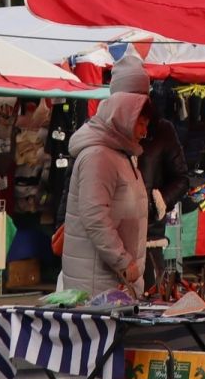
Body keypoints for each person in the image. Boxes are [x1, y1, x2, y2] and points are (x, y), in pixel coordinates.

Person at [106, 54, 189, 287]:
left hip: (149, 236)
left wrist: (157, 202)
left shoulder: (162, 130)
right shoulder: (102, 129)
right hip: (107, 240)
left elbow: (182, 178)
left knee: (149, 303)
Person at [58, 91, 151, 296]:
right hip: (96, 281)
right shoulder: (98, 156)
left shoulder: (121, 153)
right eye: (140, 124)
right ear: (124, 120)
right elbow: (95, 217)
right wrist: (123, 260)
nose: (144, 132)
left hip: (115, 278)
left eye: (146, 125)